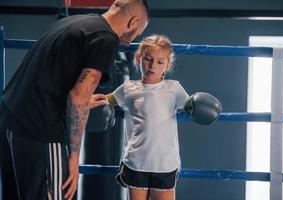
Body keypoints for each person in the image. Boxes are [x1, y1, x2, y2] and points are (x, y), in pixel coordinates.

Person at [0, 0, 149, 199]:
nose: (131, 42)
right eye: (137, 33)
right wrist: (74, 156)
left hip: (10, 121)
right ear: (133, 22)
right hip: (40, 131)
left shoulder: (73, 23)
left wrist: (85, 99)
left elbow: (51, 78)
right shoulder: (106, 39)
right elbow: (77, 98)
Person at [98, 35, 188, 200]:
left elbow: (193, 107)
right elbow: (105, 99)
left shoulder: (174, 88)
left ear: (167, 65)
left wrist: (204, 105)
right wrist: (83, 100)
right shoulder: (128, 88)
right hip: (136, 161)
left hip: (165, 163)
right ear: (139, 58)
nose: (152, 66)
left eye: (160, 62)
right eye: (148, 59)